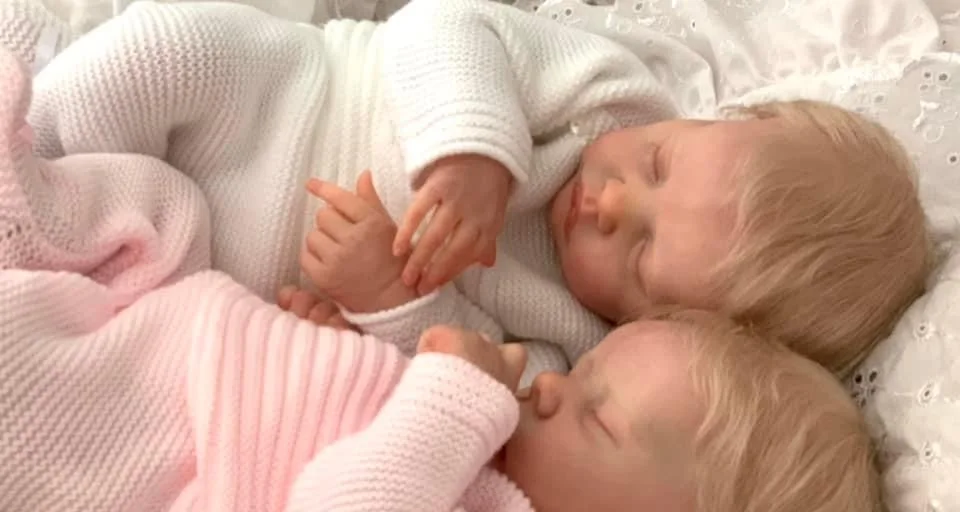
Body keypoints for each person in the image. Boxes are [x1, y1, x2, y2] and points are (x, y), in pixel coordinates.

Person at [0, 47, 882, 512]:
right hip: (175, 382)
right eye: (586, 376)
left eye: (597, 417)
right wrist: (328, 366)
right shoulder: (531, 505)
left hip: (140, 505)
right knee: (152, 217)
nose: (549, 388)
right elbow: (384, 467)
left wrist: (453, 393)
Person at [9, 0, 927, 382]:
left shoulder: (586, 350)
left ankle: (46, 232)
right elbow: (444, 24)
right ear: (715, 122)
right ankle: (30, 147)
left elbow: (467, 371)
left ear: (675, 328)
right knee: (164, 46)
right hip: (280, 96)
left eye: (643, 253)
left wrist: (388, 301)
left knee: (155, 335)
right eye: (657, 165)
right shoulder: (612, 94)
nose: (611, 203)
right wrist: (475, 151)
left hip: (241, 267)